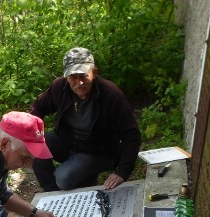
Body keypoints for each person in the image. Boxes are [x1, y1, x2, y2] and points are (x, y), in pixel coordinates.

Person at [29, 47, 141, 192]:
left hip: (96, 152)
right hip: (67, 143)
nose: (79, 83)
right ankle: (51, 191)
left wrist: (122, 171)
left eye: (83, 76)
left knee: (63, 179)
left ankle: (84, 176)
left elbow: (131, 135)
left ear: (94, 73)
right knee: (35, 140)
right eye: (73, 77)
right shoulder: (59, 87)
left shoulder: (111, 95)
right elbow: (38, 106)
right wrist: (29, 128)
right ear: (66, 77)